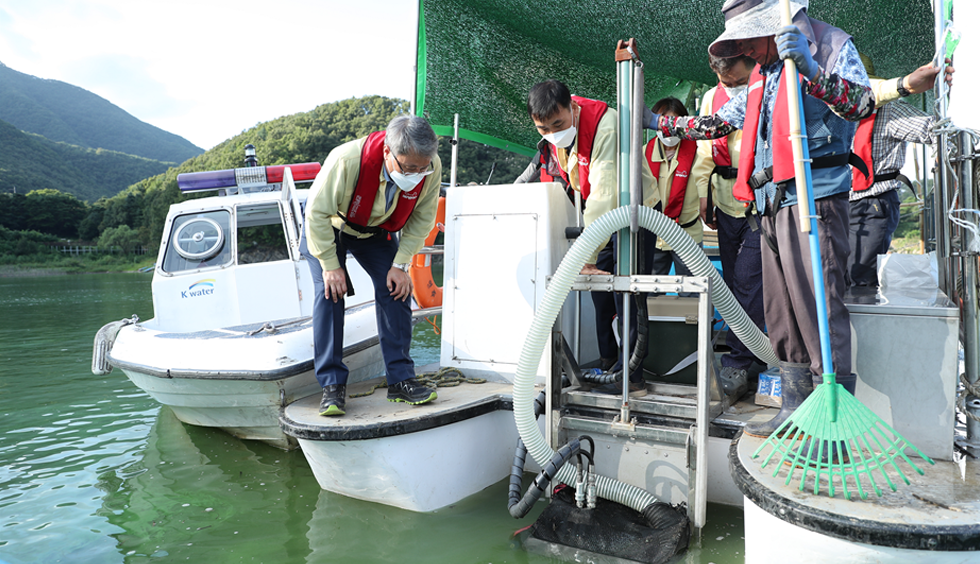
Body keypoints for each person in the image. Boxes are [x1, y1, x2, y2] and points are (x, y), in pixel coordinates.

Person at [646, 0, 874, 437]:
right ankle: (794, 407)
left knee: (817, 309)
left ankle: (834, 423)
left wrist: (810, 69)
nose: (745, 49)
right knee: (781, 311)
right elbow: (718, 123)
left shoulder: (829, 46)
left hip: (814, 201)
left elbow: (861, 105)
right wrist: (659, 123)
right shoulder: (761, 74)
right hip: (768, 206)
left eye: (748, 38)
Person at [518, 79, 657, 395]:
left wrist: (585, 257)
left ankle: (632, 375)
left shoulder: (606, 126)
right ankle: (610, 362)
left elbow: (604, 195)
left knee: (628, 291)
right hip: (603, 219)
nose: (552, 134)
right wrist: (589, 257)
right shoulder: (558, 137)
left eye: (558, 124)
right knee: (599, 293)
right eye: (543, 129)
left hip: (636, 212)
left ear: (573, 107)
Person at [302, 116, 442, 416]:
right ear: (388, 153)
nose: (417, 174)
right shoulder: (346, 160)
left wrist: (400, 264)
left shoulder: (429, 166)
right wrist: (330, 265)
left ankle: (401, 380)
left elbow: (423, 219)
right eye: (409, 168)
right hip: (331, 226)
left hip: (376, 231)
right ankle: (332, 386)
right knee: (331, 293)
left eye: (422, 168)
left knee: (396, 289)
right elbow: (315, 214)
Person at [690, 54, 766, 399]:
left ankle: (737, 361)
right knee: (735, 283)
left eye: (736, 80)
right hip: (724, 200)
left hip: (762, 201)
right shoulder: (711, 97)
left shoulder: (769, 86)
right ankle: (755, 355)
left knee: (750, 280)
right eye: (726, 83)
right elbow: (704, 148)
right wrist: (702, 192)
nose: (731, 87)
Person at [847, 56, 952, 286]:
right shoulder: (834, 115)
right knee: (838, 277)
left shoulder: (889, 111)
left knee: (861, 277)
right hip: (840, 203)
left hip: (873, 203)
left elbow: (937, 131)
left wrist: (942, 166)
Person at [644, 97, 703, 281]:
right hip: (653, 238)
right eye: (664, 122)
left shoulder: (700, 152)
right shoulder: (643, 153)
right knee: (648, 295)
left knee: (694, 295)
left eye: (674, 122)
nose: (668, 129)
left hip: (688, 236)